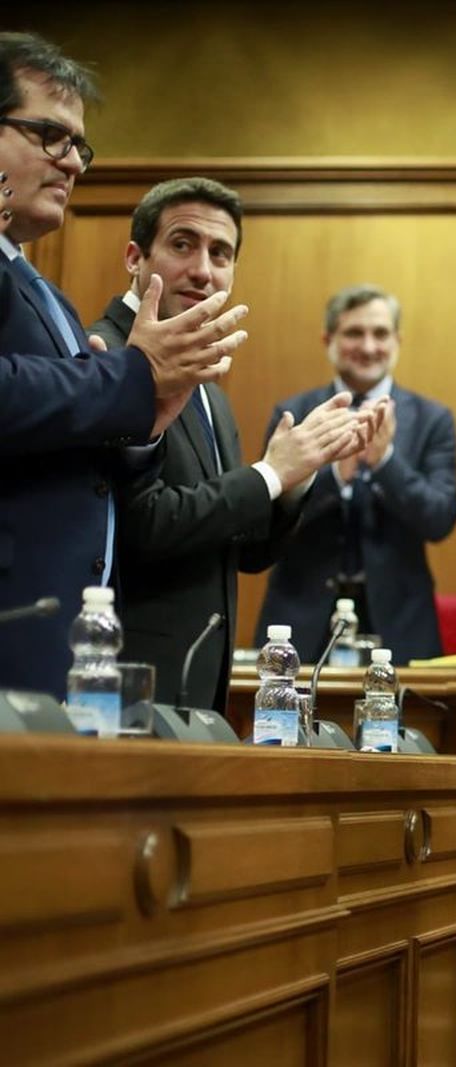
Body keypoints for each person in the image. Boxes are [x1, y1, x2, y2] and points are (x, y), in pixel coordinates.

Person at [0, 32, 247, 698]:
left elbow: (77, 451)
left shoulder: (40, 289)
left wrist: (145, 428)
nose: (73, 163)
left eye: (79, 145)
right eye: (50, 135)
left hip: (54, 644)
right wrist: (133, 379)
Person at [88, 178, 373, 709]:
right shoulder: (104, 356)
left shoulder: (209, 386)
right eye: (182, 244)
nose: (203, 269)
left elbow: (240, 549)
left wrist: (294, 478)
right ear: (134, 256)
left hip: (198, 682)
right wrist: (268, 475)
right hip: (121, 680)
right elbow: (140, 526)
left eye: (221, 254)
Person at [254, 285, 456, 664]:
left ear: (397, 340)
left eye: (380, 333)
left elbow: (440, 518)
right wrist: (335, 475)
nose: (368, 347)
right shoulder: (294, 414)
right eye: (354, 333)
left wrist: (385, 464)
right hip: (300, 623)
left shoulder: (433, 420)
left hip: (400, 624)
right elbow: (263, 522)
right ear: (328, 339)